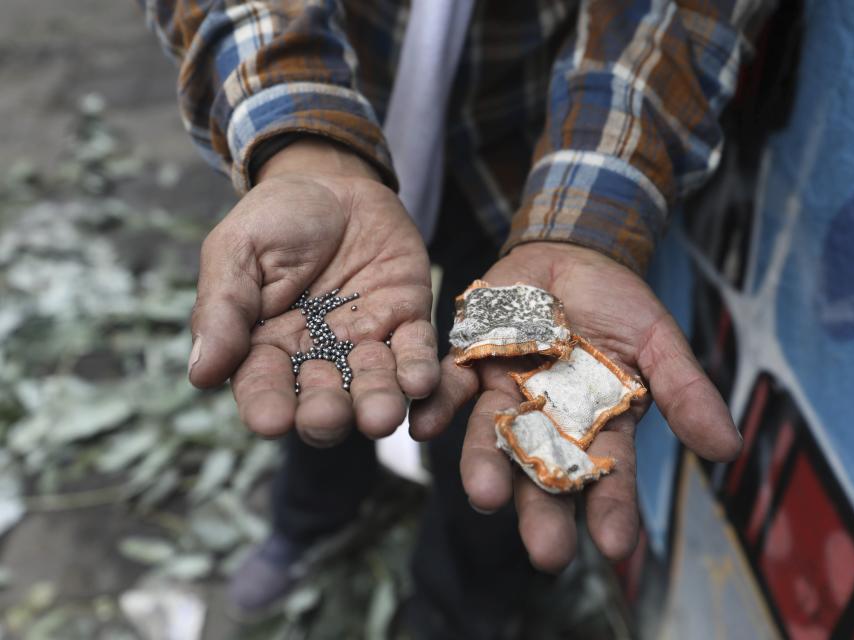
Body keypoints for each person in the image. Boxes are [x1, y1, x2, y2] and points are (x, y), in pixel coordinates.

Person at [140, 0, 770, 636]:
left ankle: (460, 607)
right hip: (347, 118)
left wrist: (589, 225)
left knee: (473, 425)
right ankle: (314, 518)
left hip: (527, 159)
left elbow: (665, 18)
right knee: (324, 363)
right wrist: (300, 144)